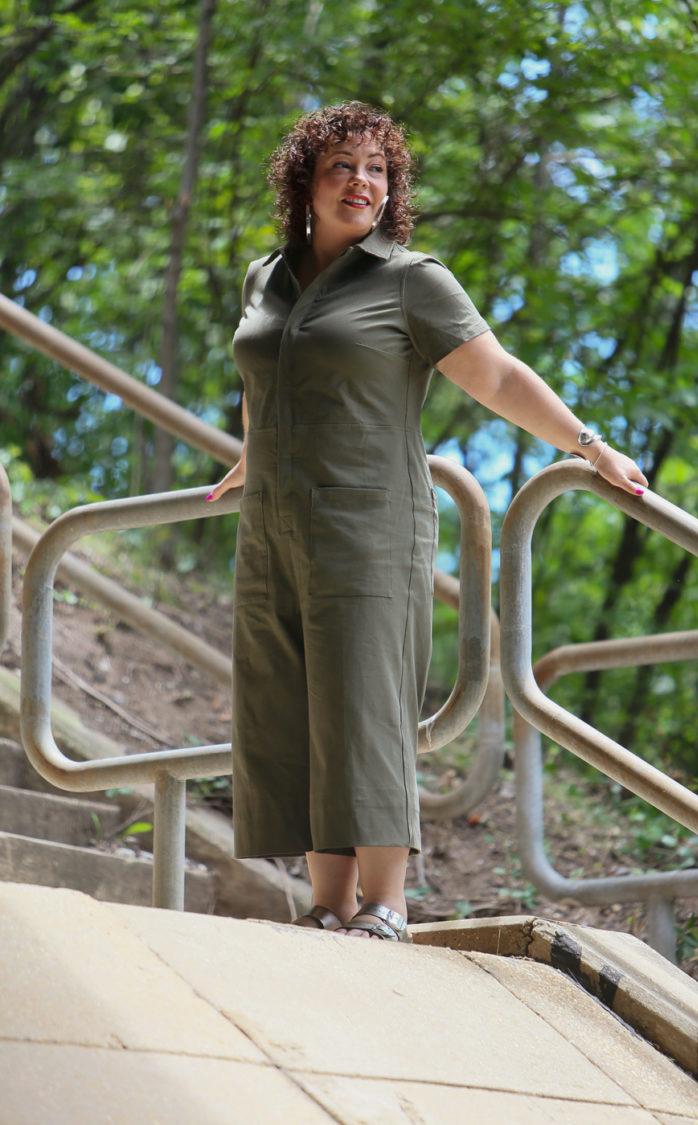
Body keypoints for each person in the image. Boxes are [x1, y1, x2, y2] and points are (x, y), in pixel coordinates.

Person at [207, 102, 648, 942]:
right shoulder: (265, 276)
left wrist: (590, 447)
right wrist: (251, 447)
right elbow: (265, 369)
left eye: (377, 170)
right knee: (290, 704)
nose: (361, 183)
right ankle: (328, 903)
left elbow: (499, 376)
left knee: (365, 701)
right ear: (305, 178)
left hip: (369, 521)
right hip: (272, 522)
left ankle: (387, 903)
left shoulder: (411, 279)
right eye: (342, 165)